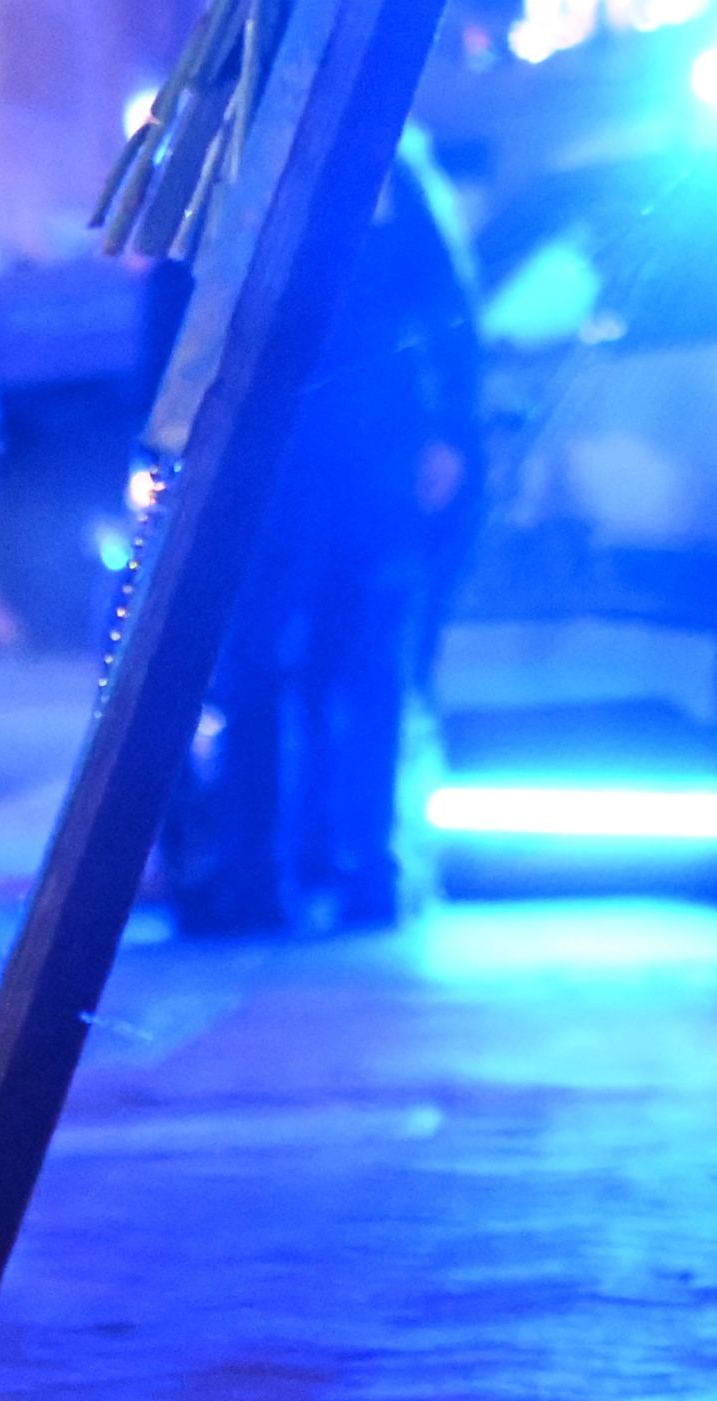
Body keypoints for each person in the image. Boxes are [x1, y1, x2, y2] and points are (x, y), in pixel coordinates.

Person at [169, 134, 481, 939]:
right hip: (281, 469)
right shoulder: (263, 164)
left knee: (350, 671)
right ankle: (269, 871)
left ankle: (351, 867)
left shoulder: (373, 176)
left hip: (356, 470)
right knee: (270, 671)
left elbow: (449, 326)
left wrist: (445, 431)